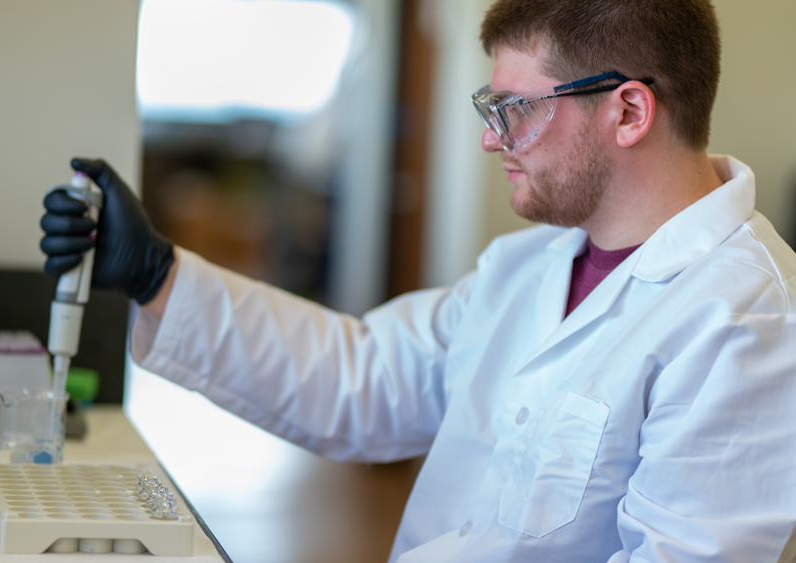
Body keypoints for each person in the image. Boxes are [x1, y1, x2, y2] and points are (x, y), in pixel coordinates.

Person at [40, 0, 796, 560]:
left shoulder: (748, 318)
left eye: (516, 109)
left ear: (629, 110)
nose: (488, 137)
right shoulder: (529, 265)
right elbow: (361, 374)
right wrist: (157, 273)